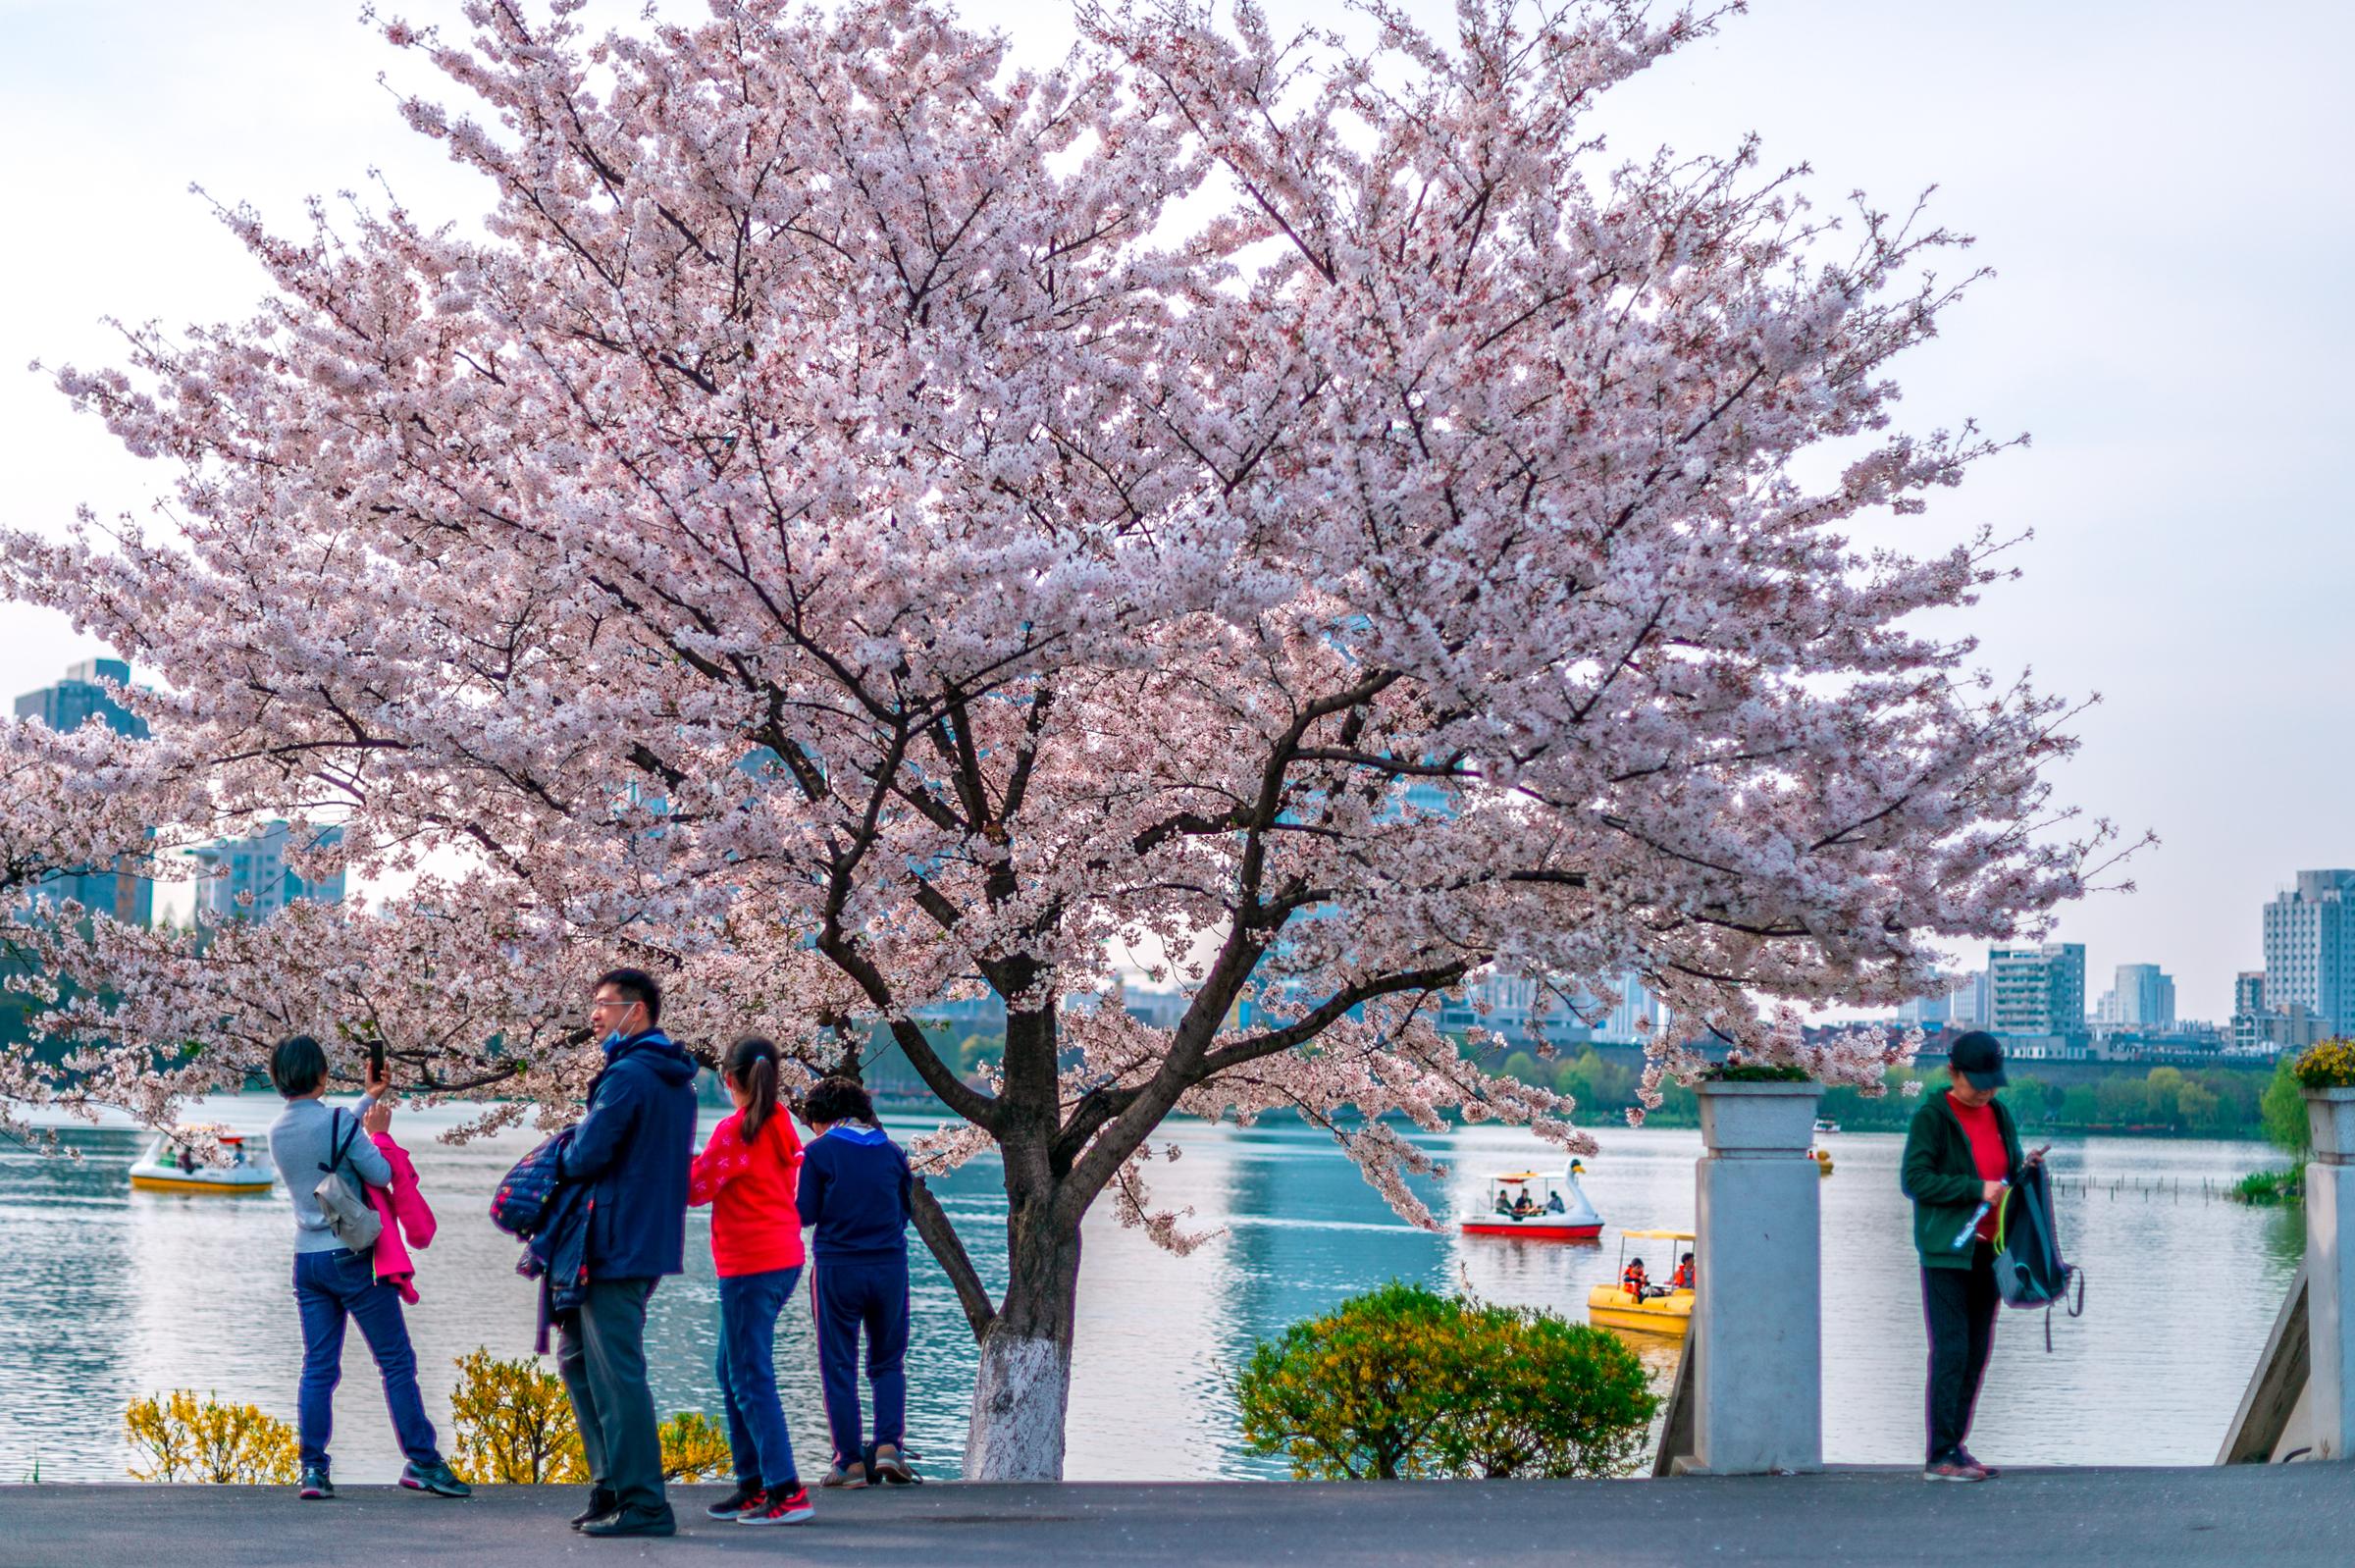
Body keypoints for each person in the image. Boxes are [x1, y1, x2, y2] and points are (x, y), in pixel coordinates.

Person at [265, 1033, 469, 1502]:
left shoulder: (277, 1130)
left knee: (318, 1367)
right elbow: (378, 1173)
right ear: (321, 1075)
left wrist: (367, 1099)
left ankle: (313, 1471)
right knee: (396, 1361)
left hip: (307, 1260)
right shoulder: (339, 1122)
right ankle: (423, 1461)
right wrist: (378, 1132)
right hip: (353, 1259)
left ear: (279, 1079)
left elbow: (328, 1137)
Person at [554, 967, 700, 1538]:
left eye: (603, 1004)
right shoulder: (673, 1078)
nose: (594, 1014)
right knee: (578, 1358)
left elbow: (589, 1154)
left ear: (634, 1011)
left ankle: (643, 1503)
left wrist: (559, 1152)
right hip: (642, 1237)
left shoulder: (630, 1076)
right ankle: (611, 1484)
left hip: (614, 1241)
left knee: (616, 1371)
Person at [1901, 1029, 2045, 1484]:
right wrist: (1973, 1188)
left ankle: (1957, 1448)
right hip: (1948, 1251)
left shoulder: (1999, 1112)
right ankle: (1938, 1455)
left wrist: (2025, 1172)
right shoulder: (1933, 1116)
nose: (1985, 1091)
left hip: (1991, 1249)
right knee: (1952, 1350)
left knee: (1978, 1351)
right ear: (1952, 1072)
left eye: (1991, 1082)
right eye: (1976, 1082)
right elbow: (1915, 1180)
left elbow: (2007, 1166)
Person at [689, 1037, 813, 1527]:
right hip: (782, 1260)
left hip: (750, 1265)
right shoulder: (779, 1121)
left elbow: (695, 1189)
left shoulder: (735, 1131)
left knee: (749, 1376)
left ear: (729, 1081)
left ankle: (786, 1491)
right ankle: (753, 1483)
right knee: (733, 1370)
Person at [796, 1075, 917, 1488]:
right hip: (889, 1268)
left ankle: (849, 1462)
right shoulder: (892, 1151)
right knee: (887, 1362)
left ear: (821, 1117)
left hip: (838, 1269)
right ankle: (888, 1448)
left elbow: (805, 1214)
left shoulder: (819, 1152)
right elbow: (906, 1211)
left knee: (839, 1367)